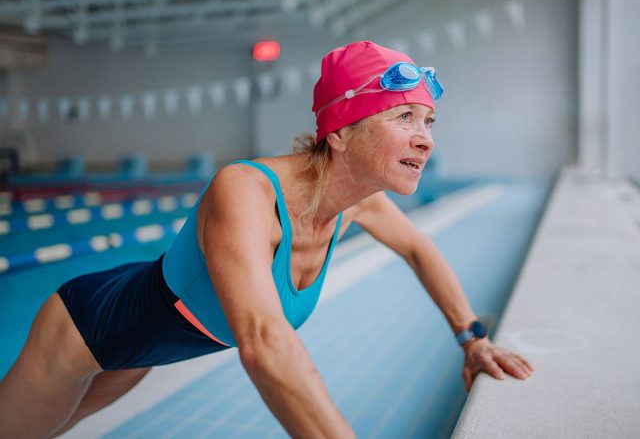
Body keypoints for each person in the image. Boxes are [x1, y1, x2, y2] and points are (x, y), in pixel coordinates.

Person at [0, 41, 534, 438]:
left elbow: (419, 249)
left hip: (140, 354)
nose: (425, 137)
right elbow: (263, 341)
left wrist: (472, 338)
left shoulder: (360, 202)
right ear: (341, 132)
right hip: (81, 331)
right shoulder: (246, 191)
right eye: (404, 117)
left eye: (428, 120)